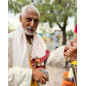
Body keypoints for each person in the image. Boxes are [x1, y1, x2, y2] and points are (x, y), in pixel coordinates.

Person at [8, 4, 77, 86]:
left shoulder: (37, 41)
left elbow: (45, 58)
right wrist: (31, 74)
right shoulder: (8, 40)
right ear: (20, 18)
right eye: (28, 19)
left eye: (36, 21)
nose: (32, 24)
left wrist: (63, 52)